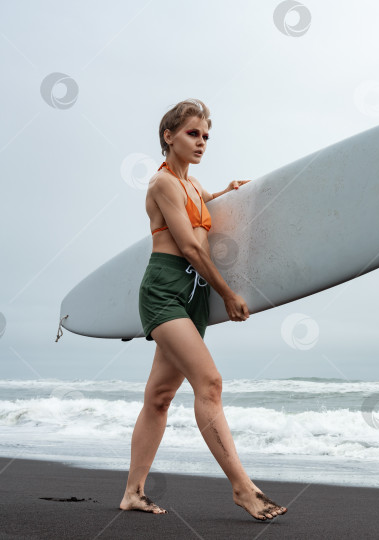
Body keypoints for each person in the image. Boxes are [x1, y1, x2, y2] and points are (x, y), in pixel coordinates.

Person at [119, 99, 287, 521]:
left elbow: (207, 203)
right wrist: (228, 294)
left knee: (159, 397)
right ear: (168, 136)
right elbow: (192, 246)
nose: (201, 142)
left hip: (193, 296)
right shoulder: (164, 185)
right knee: (210, 383)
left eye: (206, 136)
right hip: (164, 289)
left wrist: (230, 191)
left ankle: (132, 493)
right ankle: (243, 489)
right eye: (193, 134)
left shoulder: (194, 186)